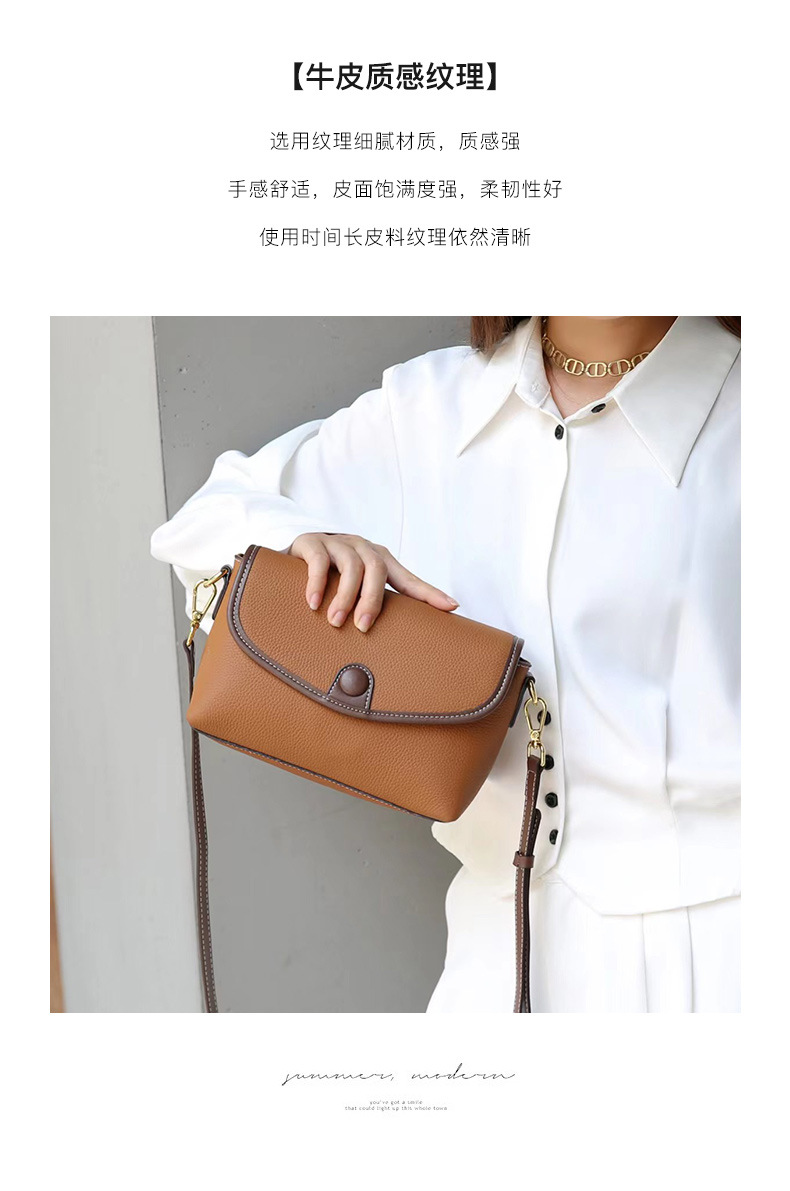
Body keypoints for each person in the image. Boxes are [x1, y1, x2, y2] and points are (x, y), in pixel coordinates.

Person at [150, 315, 741, 1013]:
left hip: (725, 949)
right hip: (498, 947)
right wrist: (307, 539)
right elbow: (204, 525)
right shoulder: (428, 409)